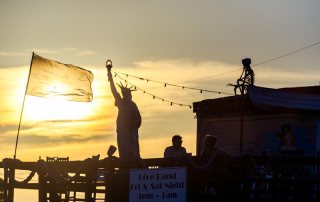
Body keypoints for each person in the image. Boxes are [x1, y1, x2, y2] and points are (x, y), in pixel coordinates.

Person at [107, 65, 142, 160]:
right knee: (123, 150)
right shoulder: (121, 102)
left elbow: (138, 120)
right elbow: (113, 90)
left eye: (127, 93)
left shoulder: (132, 105)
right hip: (122, 131)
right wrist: (110, 75)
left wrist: (132, 126)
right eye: (124, 93)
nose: (126, 95)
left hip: (130, 132)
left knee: (133, 152)